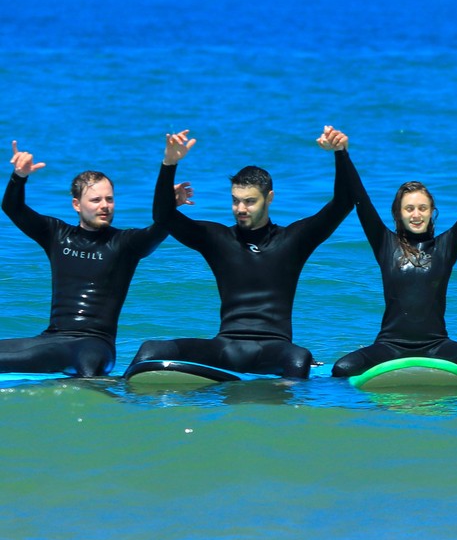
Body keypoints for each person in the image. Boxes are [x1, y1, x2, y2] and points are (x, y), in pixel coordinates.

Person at [125, 126, 354, 379]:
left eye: (250, 201)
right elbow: (163, 216)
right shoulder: (218, 239)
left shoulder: (293, 240)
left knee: (299, 357)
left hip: (273, 349)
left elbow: (344, 202)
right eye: (235, 200)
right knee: (151, 349)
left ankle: (289, 402)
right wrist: (169, 164)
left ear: (269, 198)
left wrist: (340, 153)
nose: (241, 209)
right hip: (225, 347)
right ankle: (119, 394)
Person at [331, 137, 457, 378]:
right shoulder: (385, 243)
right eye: (409, 209)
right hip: (390, 346)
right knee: (342, 369)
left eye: (422, 208)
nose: (416, 214)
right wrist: (341, 153)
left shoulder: (446, 246)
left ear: (431, 212)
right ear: (398, 213)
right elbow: (360, 199)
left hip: (437, 346)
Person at [1, 139, 192, 376]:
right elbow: (13, 208)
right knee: (39, 351)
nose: (105, 206)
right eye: (96, 200)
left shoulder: (125, 244)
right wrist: (19, 176)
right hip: (53, 338)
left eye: (109, 199)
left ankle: (107, 392)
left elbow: (161, 224)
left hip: (95, 346)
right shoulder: (56, 235)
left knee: (77, 359)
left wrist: (169, 169)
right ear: (76, 204)